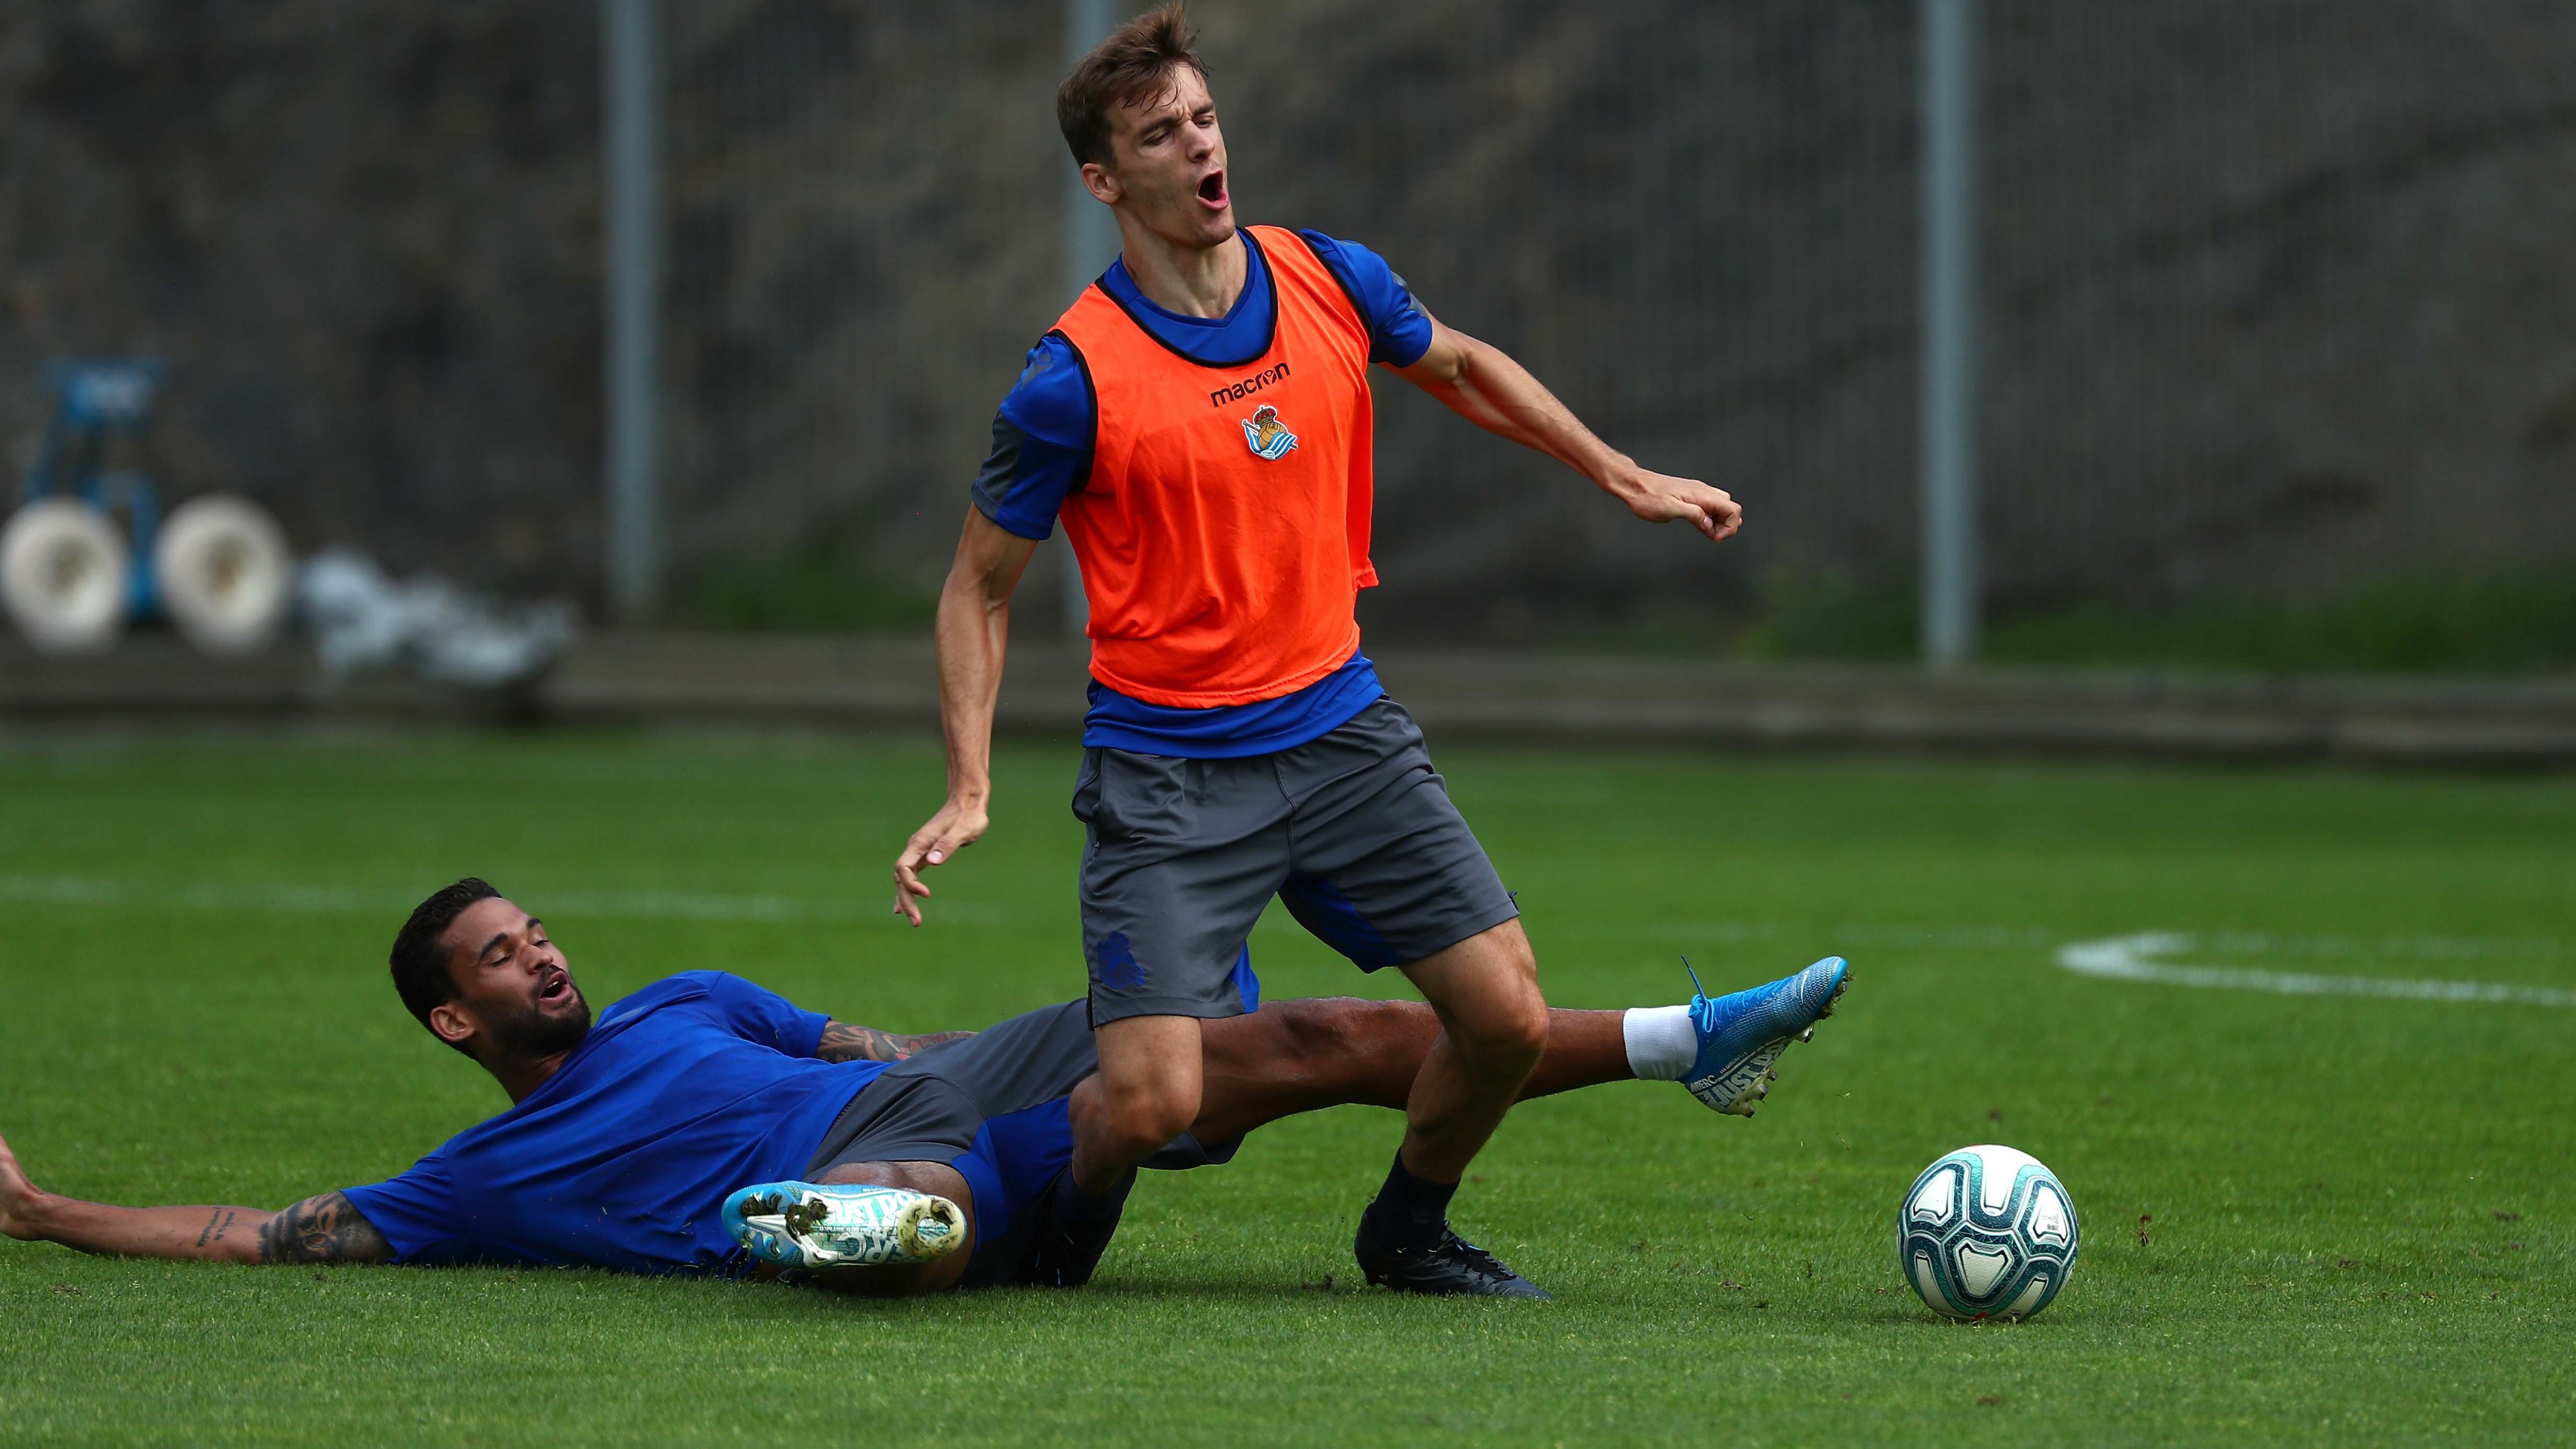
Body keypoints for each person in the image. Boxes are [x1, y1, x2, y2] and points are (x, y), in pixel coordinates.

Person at [888, 5, 1747, 1299]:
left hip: (1341, 735)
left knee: (1506, 1020)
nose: (1197, 147)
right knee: (1153, 1103)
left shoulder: (1327, 276)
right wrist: (969, 781)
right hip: (1168, 771)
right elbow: (976, 587)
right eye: (1158, 135)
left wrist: (1619, 473)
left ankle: (1405, 1228)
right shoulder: (1071, 378)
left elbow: (1457, 366)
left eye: (1203, 117)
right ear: (1104, 182)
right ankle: (1073, 1200)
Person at [0, 881, 1846, 1296]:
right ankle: (856, 1241)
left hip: (951, 1092)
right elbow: (260, 1231)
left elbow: (862, 1049)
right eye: (497, 960)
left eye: (535, 933)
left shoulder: (686, 998)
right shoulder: (470, 1185)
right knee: (926, 1214)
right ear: (451, 1027)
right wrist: (38, 1207)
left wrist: (1060, 1050)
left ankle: (1697, 1042)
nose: (539, 956)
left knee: (1326, 1043)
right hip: (907, 1176)